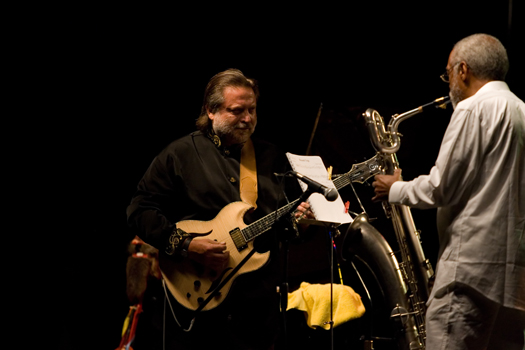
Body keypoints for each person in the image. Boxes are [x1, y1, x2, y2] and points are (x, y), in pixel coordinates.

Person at [126, 68, 314, 350]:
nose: (248, 118)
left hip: (257, 310)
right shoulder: (180, 154)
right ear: (211, 111)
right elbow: (140, 210)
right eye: (237, 110)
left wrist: (301, 223)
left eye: (252, 109)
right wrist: (187, 245)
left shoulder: (272, 156)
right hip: (196, 307)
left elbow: (284, 227)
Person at [371, 33, 525, 350]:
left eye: (448, 73)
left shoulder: (471, 109)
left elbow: (442, 189)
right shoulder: (521, 110)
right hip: (514, 281)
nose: (449, 83)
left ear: (463, 70)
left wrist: (395, 187)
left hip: (469, 272)